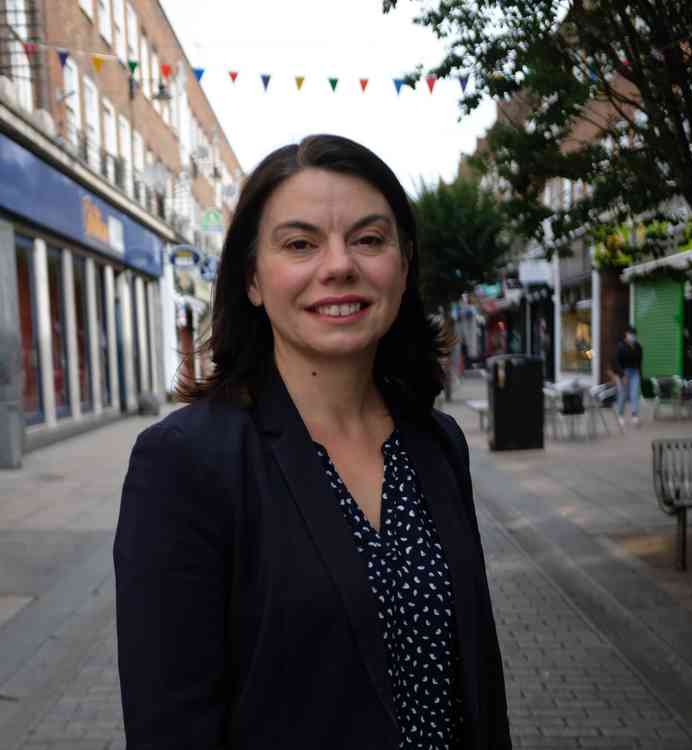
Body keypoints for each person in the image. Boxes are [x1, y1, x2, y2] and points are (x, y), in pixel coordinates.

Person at [114, 134, 511, 750]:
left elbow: (477, 679)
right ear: (251, 277)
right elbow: (171, 724)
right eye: (300, 244)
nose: (338, 266)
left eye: (369, 239)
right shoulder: (185, 464)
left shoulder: (437, 442)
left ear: (403, 266)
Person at [614, 325, 643, 427]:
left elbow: (640, 362)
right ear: (626, 335)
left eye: (634, 335)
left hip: (635, 372)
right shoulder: (621, 346)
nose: (632, 336)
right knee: (623, 394)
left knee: (634, 394)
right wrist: (622, 375)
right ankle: (620, 415)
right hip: (624, 372)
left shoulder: (638, 347)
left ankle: (634, 415)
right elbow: (617, 362)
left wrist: (640, 374)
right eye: (631, 334)